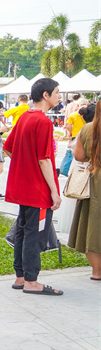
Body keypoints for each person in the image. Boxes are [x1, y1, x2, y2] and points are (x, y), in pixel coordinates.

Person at [3, 77, 64, 296]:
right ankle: (31, 280)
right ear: (46, 95)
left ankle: (20, 277)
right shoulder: (44, 122)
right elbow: (44, 159)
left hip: (22, 186)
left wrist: (23, 164)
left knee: (22, 229)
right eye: (57, 92)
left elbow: (8, 148)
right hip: (37, 190)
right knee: (35, 233)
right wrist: (54, 192)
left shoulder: (23, 118)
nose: (59, 96)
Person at [68, 105, 99, 280]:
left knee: (92, 224)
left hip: (95, 179)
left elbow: (79, 156)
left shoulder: (88, 128)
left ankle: (96, 271)